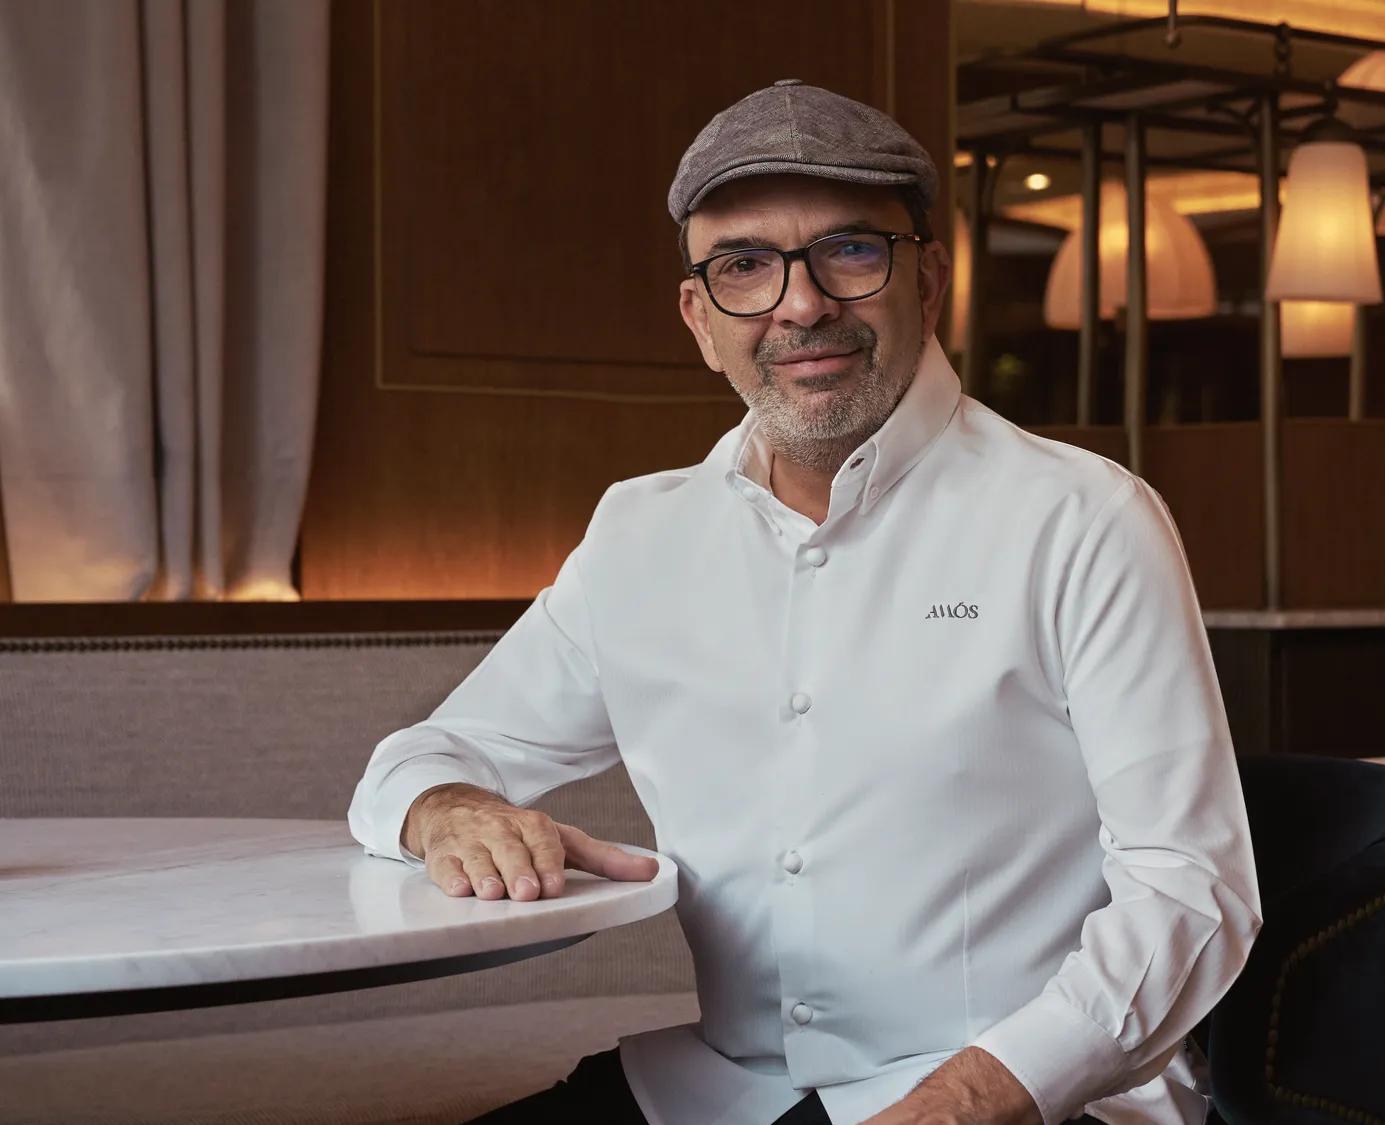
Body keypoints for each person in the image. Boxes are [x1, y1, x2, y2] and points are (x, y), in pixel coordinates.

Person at [348, 79, 1259, 1125]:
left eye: (850, 251)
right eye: (743, 266)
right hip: (711, 1092)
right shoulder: (640, 536)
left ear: (928, 281)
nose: (800, 303)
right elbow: (420, 758)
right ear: (698, 318)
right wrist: (449, 808)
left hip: (1017, 1097)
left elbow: (1190, 889)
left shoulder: (1084, 518)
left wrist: (967, 1100)